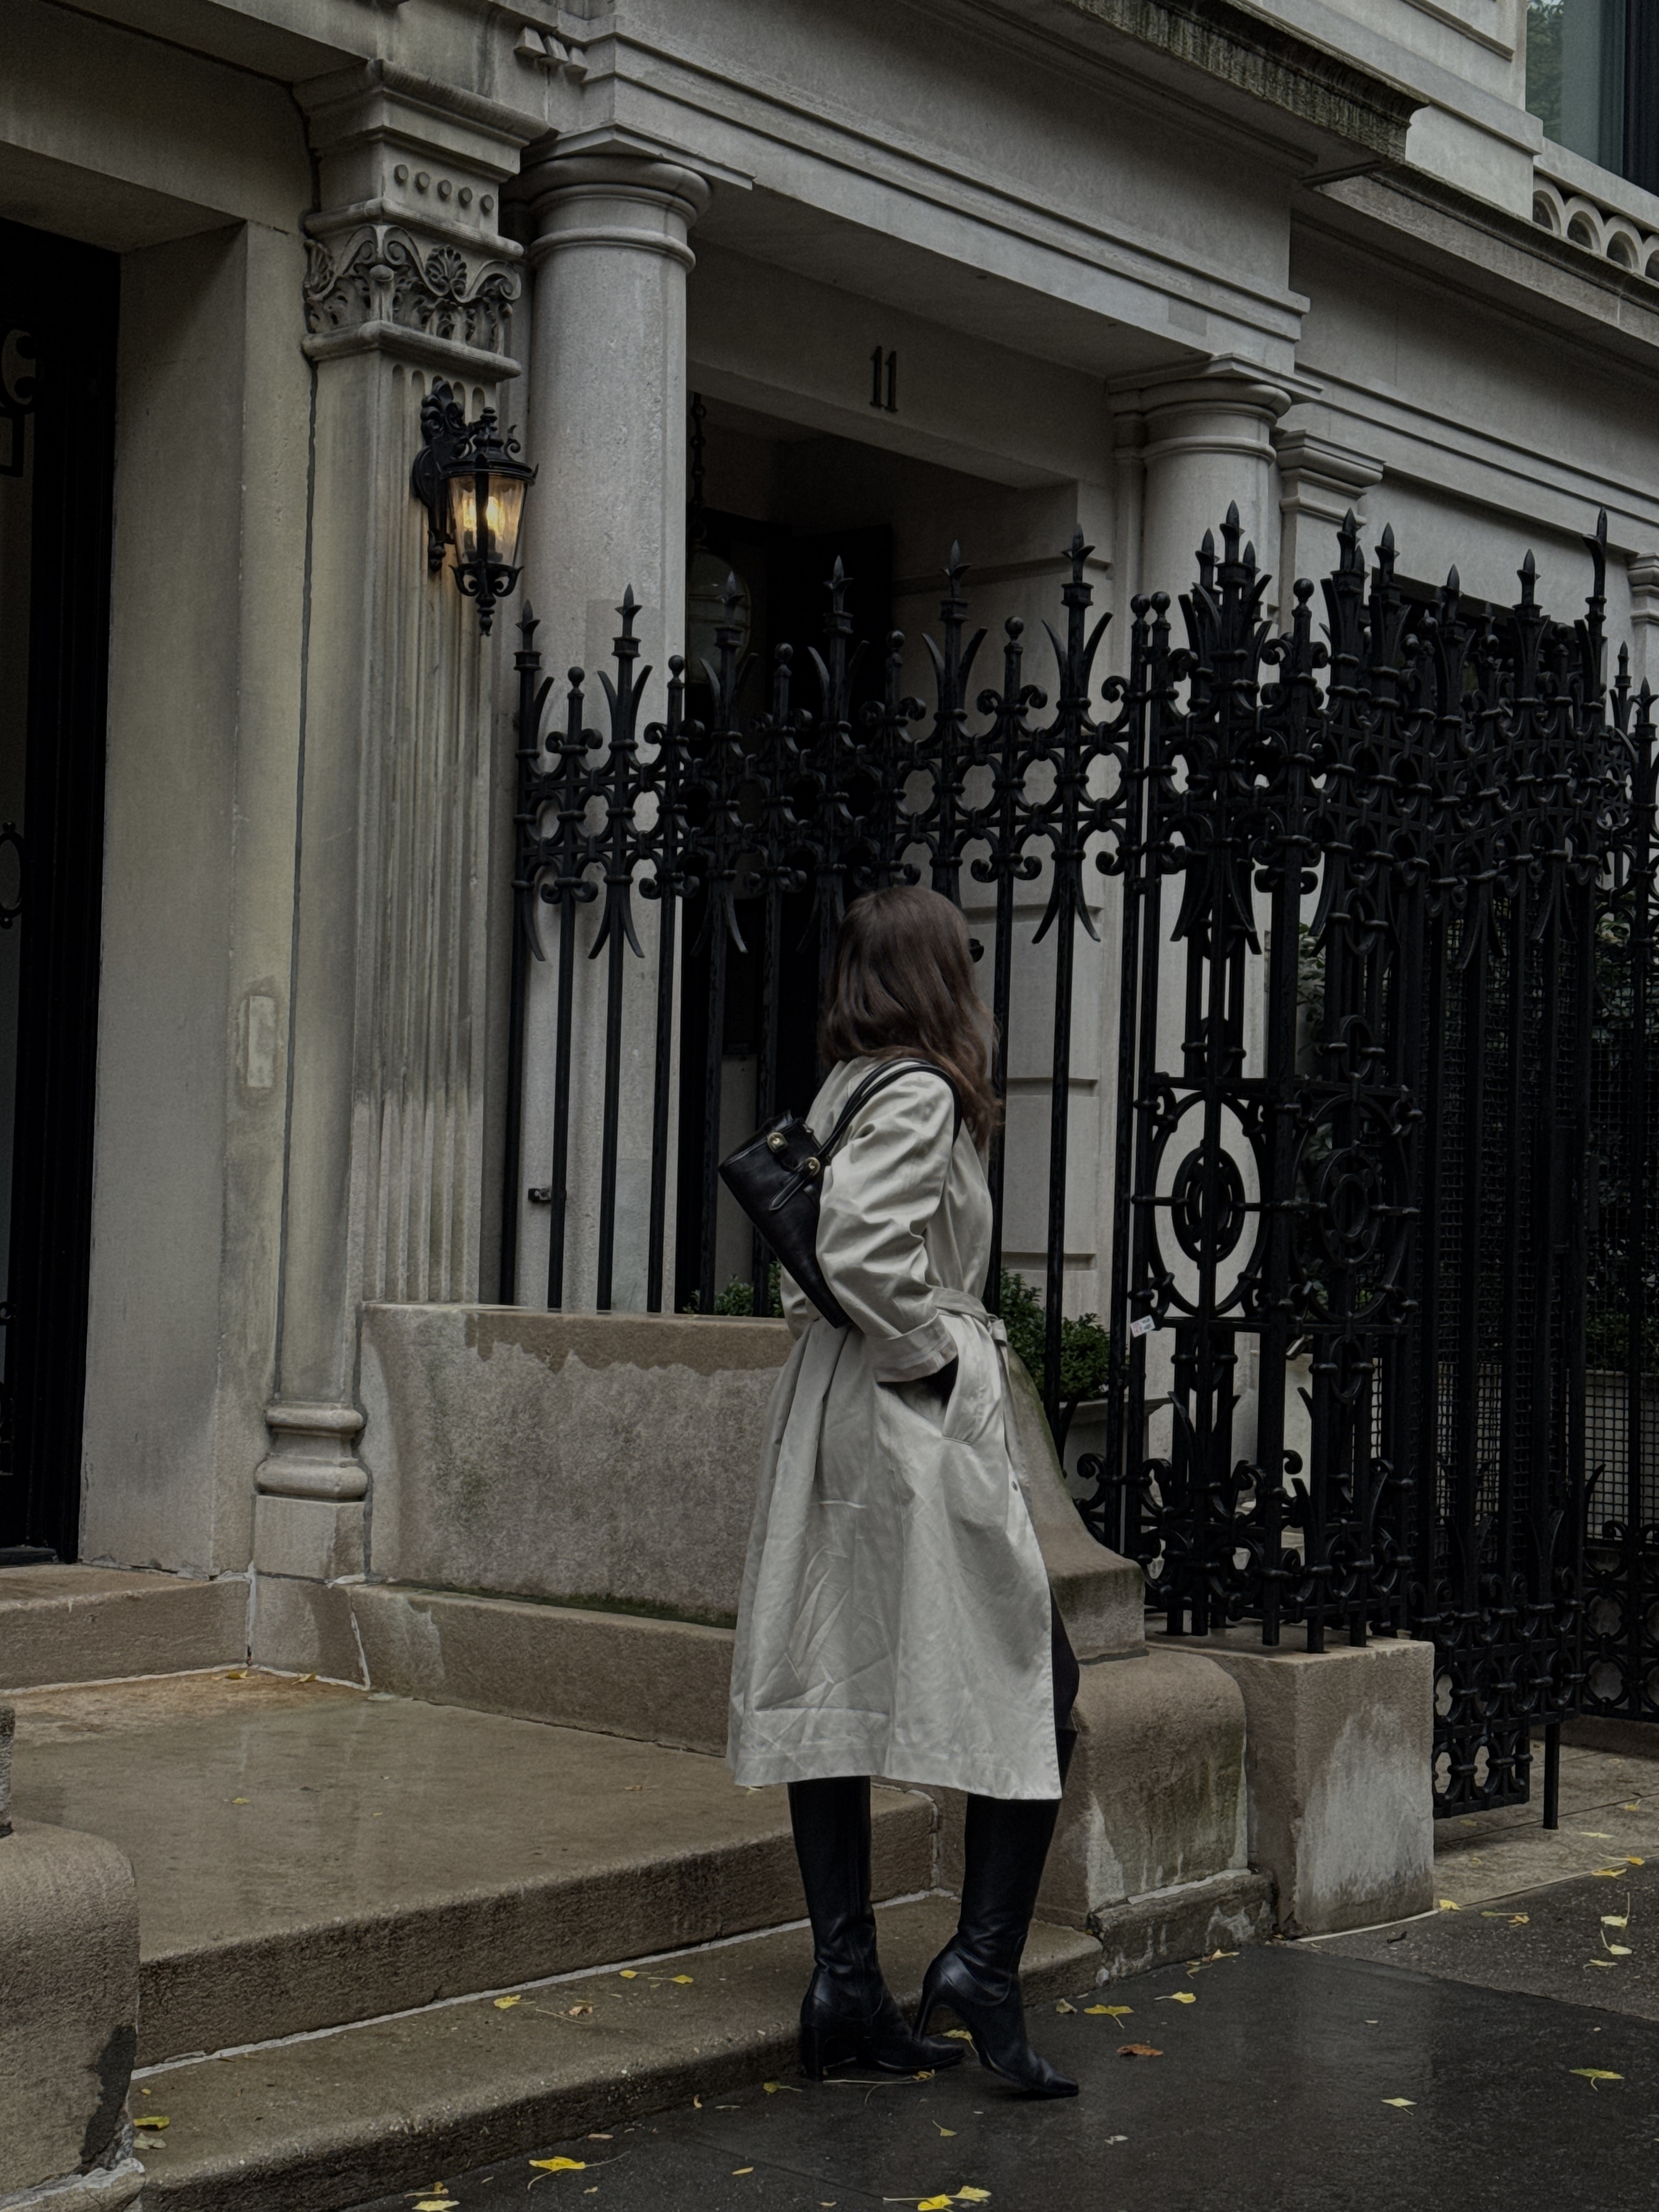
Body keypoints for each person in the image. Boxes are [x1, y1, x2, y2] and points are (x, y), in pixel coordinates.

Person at [727, 882, 1080, 2098]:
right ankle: (980, 1963)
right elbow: (866, 1254)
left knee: (837, 1674)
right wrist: (937, 1358)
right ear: (938, 975)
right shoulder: (921, 1089)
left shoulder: (849, 1084)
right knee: (1044, 1681)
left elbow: (817, 1253)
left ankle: (850, 1985)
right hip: (902, 1417)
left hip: (841, 1412)